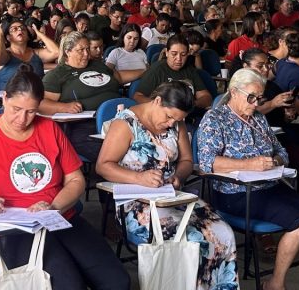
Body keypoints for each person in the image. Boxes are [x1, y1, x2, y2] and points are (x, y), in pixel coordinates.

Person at [0, 66, 131, 290]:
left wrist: (54, 206)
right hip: (14, 231)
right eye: (16, 109)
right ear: (4, 98)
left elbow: (76, 180)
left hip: (59, 218)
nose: (22, 118)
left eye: (31, 111)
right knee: (68, 285)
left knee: (118, 282)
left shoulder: (50, 129)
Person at [97, 81, 238, 290]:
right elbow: (103, 166)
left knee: (224, 232)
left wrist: (178, 177)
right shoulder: (126, 124)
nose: (172, 123)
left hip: (173, 196)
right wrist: (139, 178)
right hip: (137, 205)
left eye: (178, 120)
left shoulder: (177, 124)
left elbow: (187, 161)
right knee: (194, 239)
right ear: (156, 101)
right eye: (169, 117)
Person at [197, 69, 299, 290]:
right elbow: (207, 162)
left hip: (269, 185)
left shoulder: (258, 119)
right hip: (235, 192)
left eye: (260, 98)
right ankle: (276, 283)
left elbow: (282, 152)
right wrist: (249, 164)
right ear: (233, 92)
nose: (256, 103)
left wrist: (273, 161)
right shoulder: (215, 119)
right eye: (251, 97)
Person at [43, 32, 122, 160]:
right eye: (80, 50)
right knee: (114, 152)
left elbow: (119, 78)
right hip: (85, 125)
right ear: (68, 52)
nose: (86, 54)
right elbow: (41, 104)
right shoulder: (57, 75)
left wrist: (145, 72)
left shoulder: (97, 64)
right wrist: (64, 107)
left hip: (118, 118)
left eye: (87, 49)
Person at [133, 35, 213, 109]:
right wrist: (162, 106)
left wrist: (192, 104)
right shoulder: (156, 70)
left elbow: (206, 97)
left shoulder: (190, 70)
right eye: (174, 54)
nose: (178, 58)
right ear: (167, 53)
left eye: (183, 54)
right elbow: (138, 96)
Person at [0, 17, 59, 89]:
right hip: (12, 98)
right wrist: (0, 35)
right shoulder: (5, 54)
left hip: (38, 96)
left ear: (28, 37)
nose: (20, 30)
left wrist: (39, 33)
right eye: (14, 29)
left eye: (23, 28)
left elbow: (56, 52)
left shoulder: (36, 53)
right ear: (8, 37)